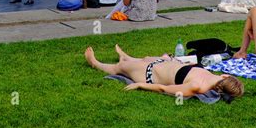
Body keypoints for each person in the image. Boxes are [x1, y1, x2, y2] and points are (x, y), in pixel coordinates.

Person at [84, 43, 244, 100]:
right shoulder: (210, 75)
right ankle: (127, 57)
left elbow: (164, 89)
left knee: (118, 69)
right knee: (145, 58)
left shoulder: (197, 86)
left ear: (225, 77)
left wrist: (139, 84)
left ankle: (95, 63)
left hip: (149, 74)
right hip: (160, 63)